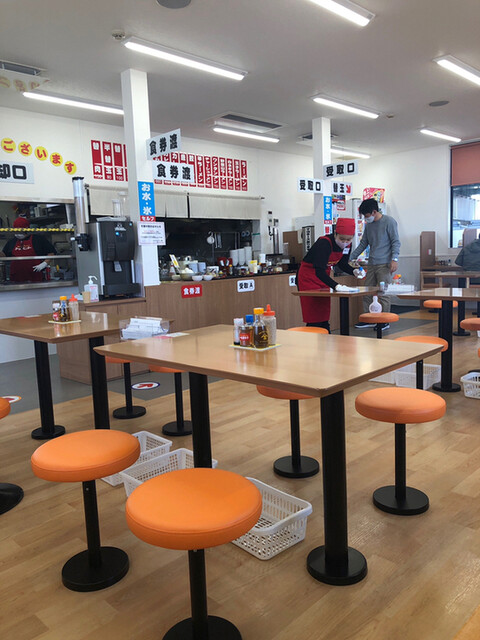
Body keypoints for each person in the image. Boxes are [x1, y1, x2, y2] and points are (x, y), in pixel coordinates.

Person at [296, 217, 365, 332]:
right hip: (309, 277)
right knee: (313, 315)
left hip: (324, 278)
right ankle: (313, 337)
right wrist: (336, 286)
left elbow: (342, 264)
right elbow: (319, 270)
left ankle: (325, 334)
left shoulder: (348, 245)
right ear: (335, 233)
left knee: (323, 313)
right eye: (342, 239)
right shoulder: (324, 243)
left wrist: (354, 271)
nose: (345, 242)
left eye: (348, 240)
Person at [350, 198, 401, 329]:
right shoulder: (369, 225)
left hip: (385, 264)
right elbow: (363, 243)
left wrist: (394, 259)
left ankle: (384, 320)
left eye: (366, 215)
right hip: (372, 263)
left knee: (383, 293)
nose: (365, 218)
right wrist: (351, 257)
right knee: (367, 291)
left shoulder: (389, 222)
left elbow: (395, 242)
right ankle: (369, 318)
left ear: (374, 212)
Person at [0, 216, 56, 283]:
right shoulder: (11, 242)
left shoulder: (38, 239)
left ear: (27, 229)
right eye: (16, 231)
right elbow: (4, 256)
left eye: (20, 230)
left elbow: (51, 253)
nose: (18, 233)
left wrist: (44, 264)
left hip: (35, 278)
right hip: (16, 279)